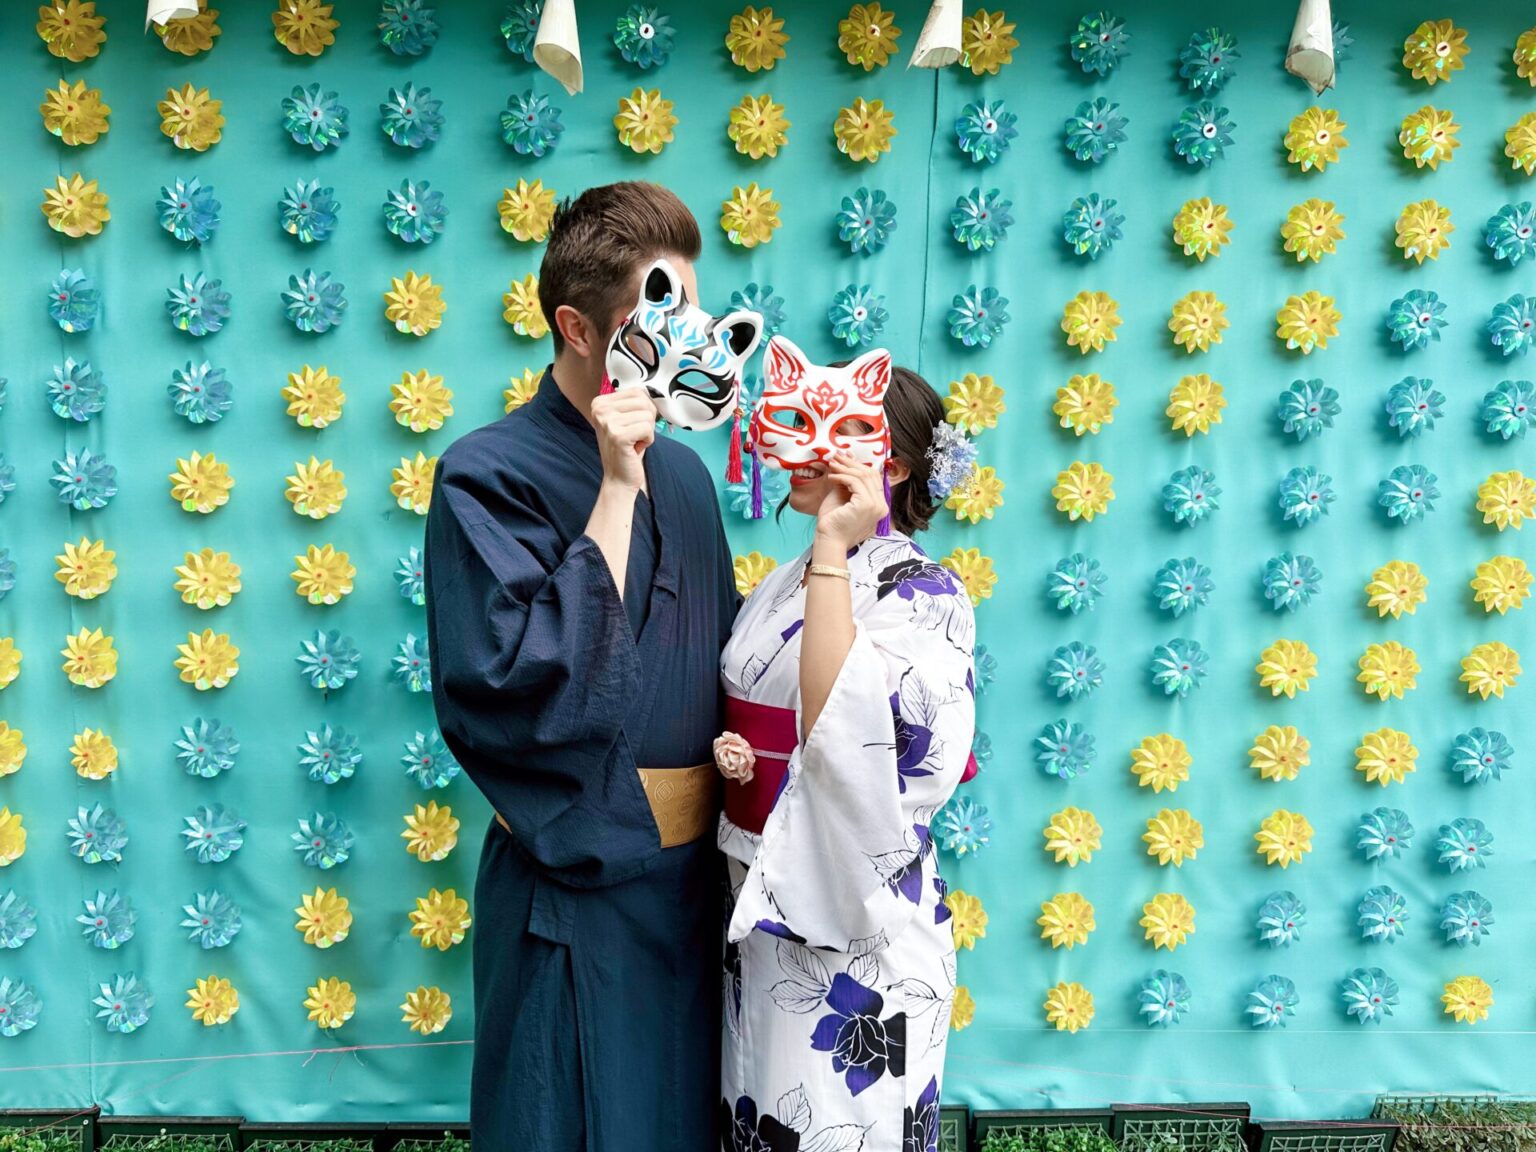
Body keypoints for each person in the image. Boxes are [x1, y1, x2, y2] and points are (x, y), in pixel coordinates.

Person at [423, 182, 739, 1152]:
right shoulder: (487, 473)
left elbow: (721, 661)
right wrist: (614, 485)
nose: (687, 335)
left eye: (692, 310)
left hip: (694, 893)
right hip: (571, 890)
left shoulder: (688, 476)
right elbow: (516, 688)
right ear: (577, 327)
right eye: (661, 312)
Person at [714, 341, 978, 1152]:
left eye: (835, 431)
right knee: (762, 1112)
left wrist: (834, 548)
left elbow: (842, 728)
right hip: (759, 897)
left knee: (837, 1127)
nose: (802, 446)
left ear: (888, 467)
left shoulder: (925, 594)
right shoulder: (783, 579)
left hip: (856, 925)